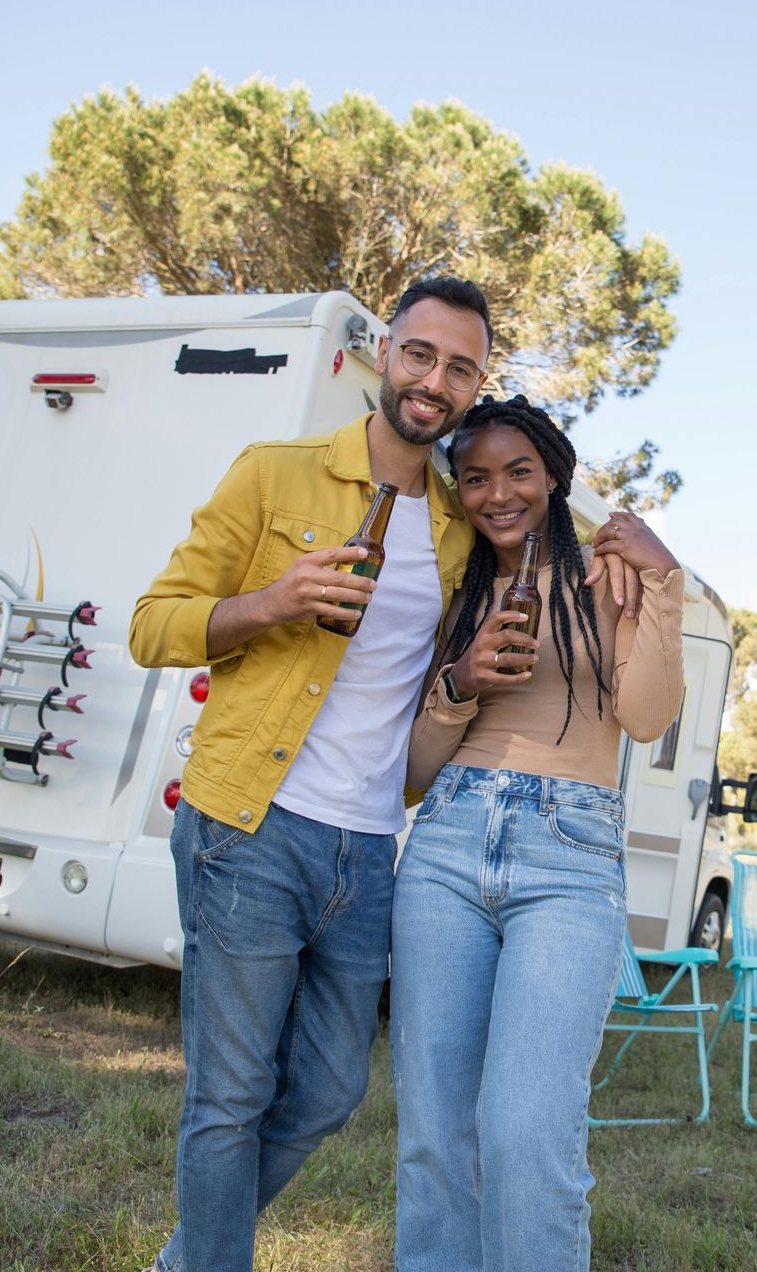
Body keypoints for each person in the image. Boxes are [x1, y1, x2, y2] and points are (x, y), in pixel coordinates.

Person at [128, 277, 491, 1272]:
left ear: (475, 385)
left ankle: (190, 1253)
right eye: (421, 354)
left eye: (461, 366)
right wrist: (272, 600)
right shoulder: (277, 474)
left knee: (330, 1091)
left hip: (370, 848)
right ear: (385, 354)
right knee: (230, 1097)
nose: (434, 381)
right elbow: (151, 623)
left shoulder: (462, 528)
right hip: (252, 824)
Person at [390, 394, 684, 1272]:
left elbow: (645, 717)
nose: (497, 494)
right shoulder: (457, 586)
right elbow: (411, 776)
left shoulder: (610, 575)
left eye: (518, 471)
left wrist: (665, 581)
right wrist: (461, 682)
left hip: (569, 850)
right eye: (474, 477)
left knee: (526, 1130)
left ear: (554, 475)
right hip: (444, 845)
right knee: (434, 1135)